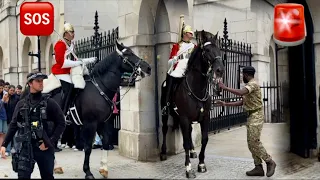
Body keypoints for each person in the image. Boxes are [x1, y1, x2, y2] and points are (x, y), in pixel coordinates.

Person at [0, 72, 66, 179]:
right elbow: (13, 125)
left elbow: (61, 123)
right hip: (26, 147)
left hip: (44, 148)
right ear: (30, 83)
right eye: (38, 81)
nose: (41, 83)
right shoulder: (22, 104)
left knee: (47, 176)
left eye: (42, 81)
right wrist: (4, 144)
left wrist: (50, 142)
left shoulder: (49, 102)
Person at [215, 66, 276, 177]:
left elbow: (240, 92)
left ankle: (269, 161)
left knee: (254, 142)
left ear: (247, 75)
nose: (242, 77)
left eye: (243, 75)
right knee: (250, 143)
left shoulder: (253, 84)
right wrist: (225, 104)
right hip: (251, 115)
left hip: (256, 115)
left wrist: (225, 87)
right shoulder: (249, 86)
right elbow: (242, 102)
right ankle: (258, 167)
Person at [52, 22, 96, 116]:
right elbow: (61, 62)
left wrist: (88, 60)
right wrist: (78, 62)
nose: (73, 34)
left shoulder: (71, 45)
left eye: (73, 32)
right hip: (60, 71)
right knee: (69, 87)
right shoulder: (60, 44)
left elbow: (75, 59)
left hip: (69, 71)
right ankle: (63, 112)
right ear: (65, 33)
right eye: (71, 32)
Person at [162, 24, 196, 115]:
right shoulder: (177, 46)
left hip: (189, 67)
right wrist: (174, 59)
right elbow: (171, 58)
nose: (191, 35)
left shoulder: (194, 46)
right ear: (185, 34)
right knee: (169, 80)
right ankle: (167, 104)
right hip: (179, 66)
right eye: (190, 33)